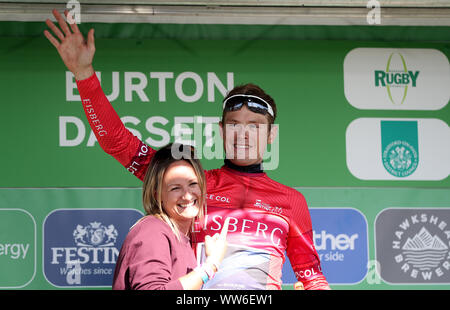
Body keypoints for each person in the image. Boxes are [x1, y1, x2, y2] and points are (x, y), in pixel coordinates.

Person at [44, 9, 330, 290]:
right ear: (220, 131)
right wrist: (84, 75)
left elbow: (312, 277)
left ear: (271, 135)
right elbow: (117, 142)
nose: (242, 134)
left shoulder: (292, 201)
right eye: (233, 124)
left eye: (254, 125)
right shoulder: (191, 186)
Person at [112, 143, 228, 290]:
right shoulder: (152, 230)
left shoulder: (179, 237)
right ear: (157, 194)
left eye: (193, 184)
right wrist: (211, 265)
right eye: (175, 188)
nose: (187, 195)